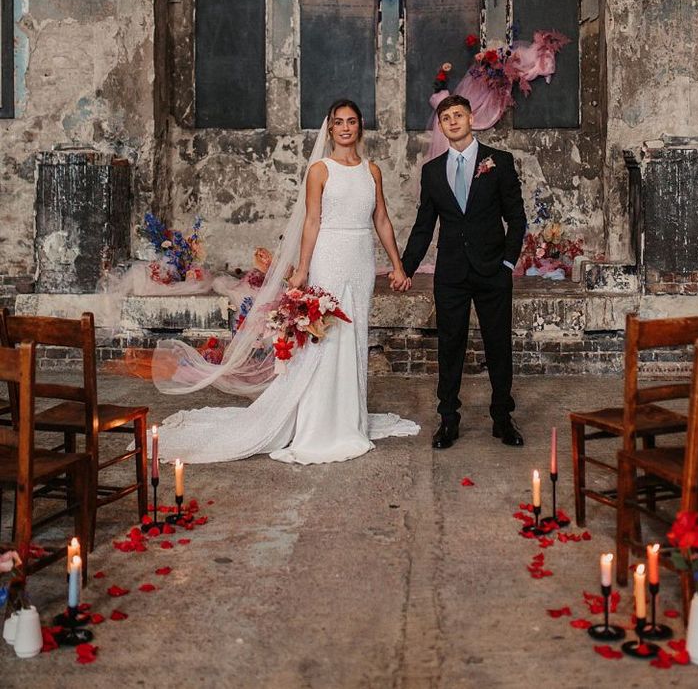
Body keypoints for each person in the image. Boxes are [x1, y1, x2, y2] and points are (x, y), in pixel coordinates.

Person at [152, 99, 419, 464]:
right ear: (330, 127)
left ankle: (348, 418)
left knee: (355, 336)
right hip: (329, 255)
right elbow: (311, 222)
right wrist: (303, 270)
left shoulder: (371, 171)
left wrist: (397, 266)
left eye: (351, 122)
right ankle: (317, 423)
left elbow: (383, 220)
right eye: (338, 122)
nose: (345, 128)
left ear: (360, 127)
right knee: (324, 336)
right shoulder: (320, 170)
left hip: (360, 258)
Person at [396, 95, 527, 450]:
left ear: (472, 118)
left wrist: (508, 263)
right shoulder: (432, 171)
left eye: (458, 114)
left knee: (498, 345)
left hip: (492, 272)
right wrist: (405, 267)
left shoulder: (498, 162)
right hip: (451, 274)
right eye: (445, 117)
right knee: (450, 347)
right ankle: (448, 420)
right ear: (441, 126)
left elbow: (516, 218)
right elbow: (424, 226)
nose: (452, 121)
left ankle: (502, 417)